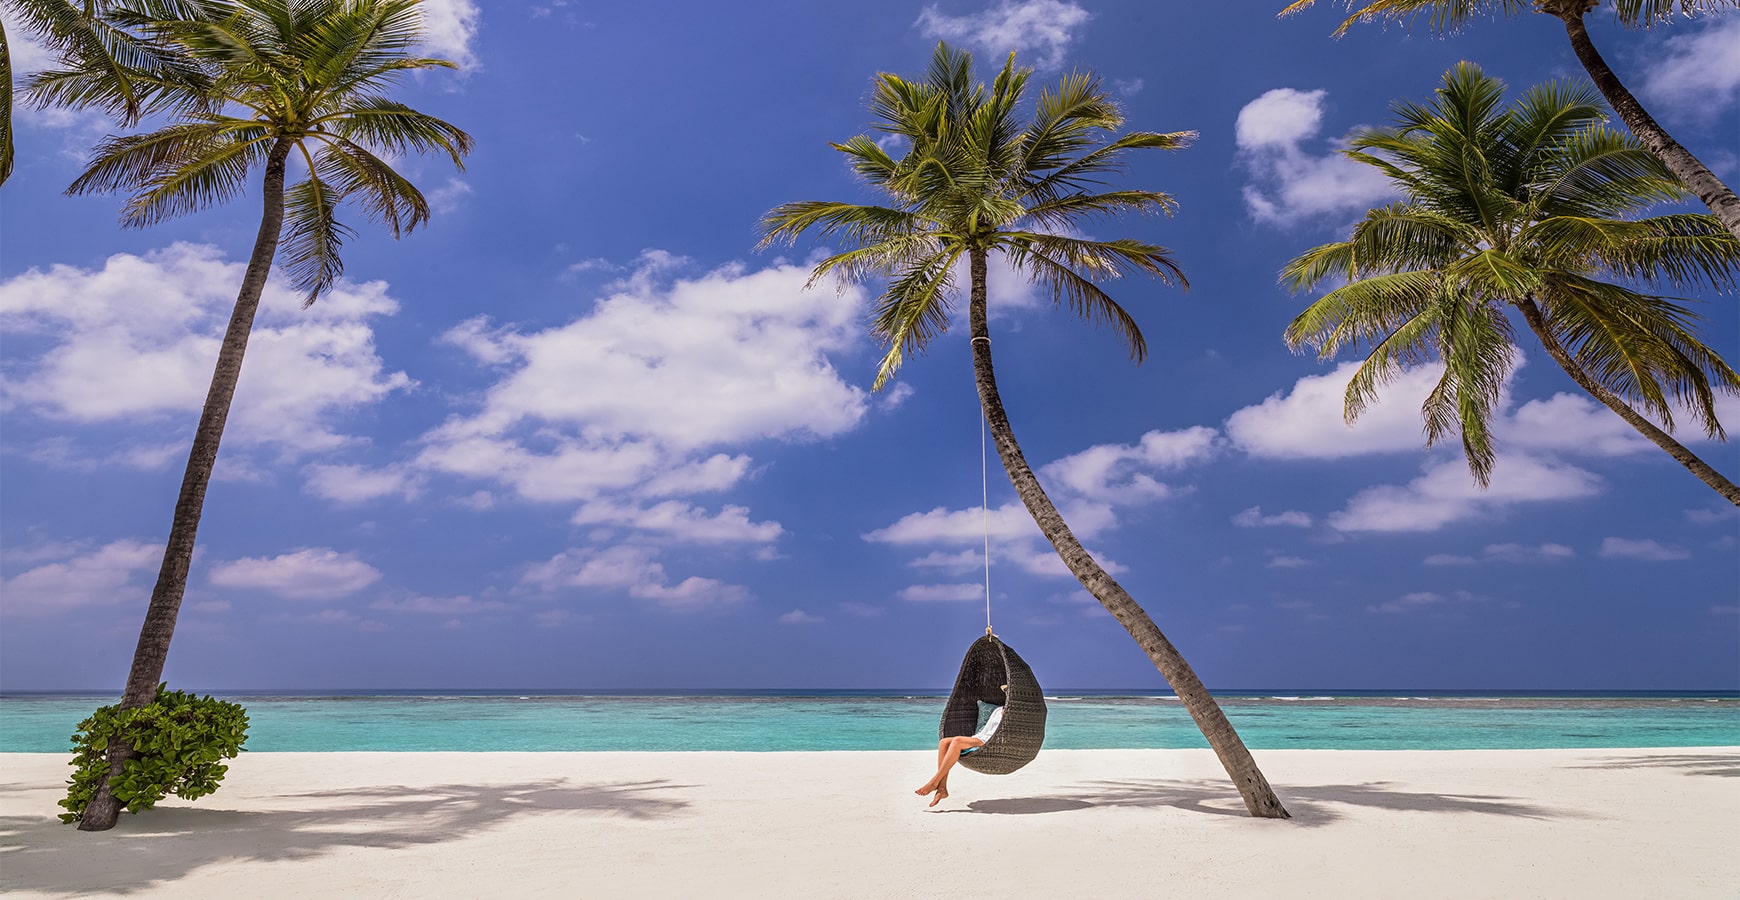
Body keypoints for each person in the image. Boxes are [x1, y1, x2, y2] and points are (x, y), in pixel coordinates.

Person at [915, 699, 1005, 807]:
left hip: (992, 741)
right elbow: (986, 729)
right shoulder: (997, 710)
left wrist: (1007, 715)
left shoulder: (1012, 712)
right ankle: (942, 788)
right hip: (981, 737)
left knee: (957, 741)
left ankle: (934, 782)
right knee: (944, 742)